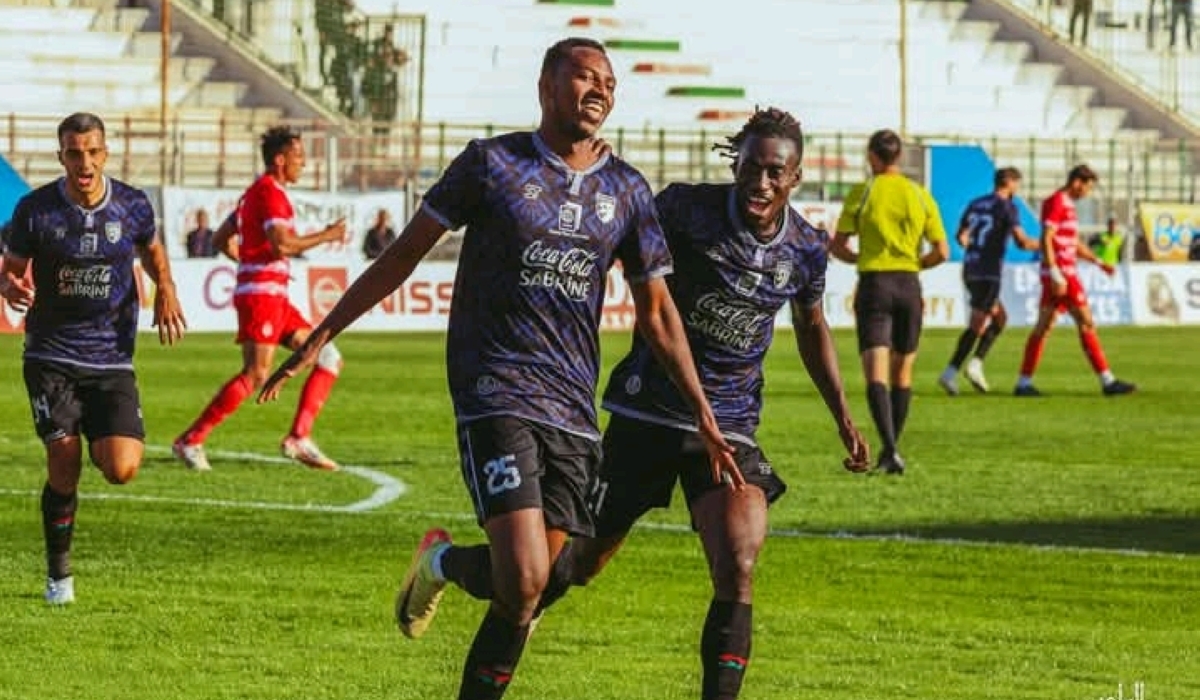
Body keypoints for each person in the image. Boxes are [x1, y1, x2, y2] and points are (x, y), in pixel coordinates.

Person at [258, 37, 737, 700]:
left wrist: (705, 413)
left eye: (609, 81)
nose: (599, 89)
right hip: (497, 390)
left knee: (555, 576)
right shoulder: (492, 165)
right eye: (583, 75)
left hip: (572, 407)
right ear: (546, 85)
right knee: (524, 579)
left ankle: (442, 563)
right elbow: (403, 255)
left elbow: (657, 313)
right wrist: (322, 333)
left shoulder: (627, 191)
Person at [398, 107, 873, 700]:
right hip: (645, 415)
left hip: (728, 429)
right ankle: (441, 564)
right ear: (737, 163)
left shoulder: (804, 247)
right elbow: (619, 260)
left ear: (796, 177)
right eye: (751, 166)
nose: (761, 182)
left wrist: (844, 417)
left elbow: (812, 326)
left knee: (740, 561)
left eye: (776, 172)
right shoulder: (684, 210)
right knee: (560, 574)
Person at [0, 112, 187, 605]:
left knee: (121, 467)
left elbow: (152, 250)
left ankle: (85, 427)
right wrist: (9, 285)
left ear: (106, 152)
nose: (84, 162)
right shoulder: (35, 211)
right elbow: (10, 267)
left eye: (93, 152)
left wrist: (165, 286)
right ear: (61, 156)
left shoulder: (132, 205)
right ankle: (59, 578)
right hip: (51, 354)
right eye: (74, 153)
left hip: (111, 356)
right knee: (64, 465)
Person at [172, 126, 348, 472]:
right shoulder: (269, 194)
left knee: (327, 355)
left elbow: (223, 238)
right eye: (299, 156)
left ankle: (299, 438)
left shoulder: (255, 194)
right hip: (262, 297)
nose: (304, 163)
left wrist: (249, 262)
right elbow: (282, 243)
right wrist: (327, 235)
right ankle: (191, 440)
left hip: (275, 296)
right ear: (280, 160)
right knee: (256, 374)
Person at [829, 129, 949, 475]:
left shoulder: (864, 191)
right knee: (903, 371)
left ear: (872, 156)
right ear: (898, 157)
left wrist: (861, 259)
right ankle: (892, 447)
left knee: (875, 371)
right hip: (909, 285)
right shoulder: (919, 194)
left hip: (875, 284)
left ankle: (891, 448)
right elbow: (942, 251)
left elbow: (838, 245)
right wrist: (915, 265)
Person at [1014, 165, 1136, 397]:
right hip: (1063, 274)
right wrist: (1055, 272)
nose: (1088, 193)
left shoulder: (1068, 205)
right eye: (1088, 187)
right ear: (1077, 182)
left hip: (1062, 272)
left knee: (1044, 327)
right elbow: (1047, 238)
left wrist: (1098, 262)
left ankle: (1023, 383)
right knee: (1086, 322)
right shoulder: (1057, 202)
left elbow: (1072, 243)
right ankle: (1108, 382)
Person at [938, 167, 1039, 395]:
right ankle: (950, 372)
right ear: (1010, 183)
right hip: (988, 272)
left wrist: (973, 247)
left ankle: (975, 365)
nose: (1018, 189)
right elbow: (1022, 242)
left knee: (1000, 318)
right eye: (1017, 184)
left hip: (970, 268)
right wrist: (1047, 245)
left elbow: (961, 236)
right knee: (978, 322)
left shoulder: (976, 204)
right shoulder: (1007, 207)